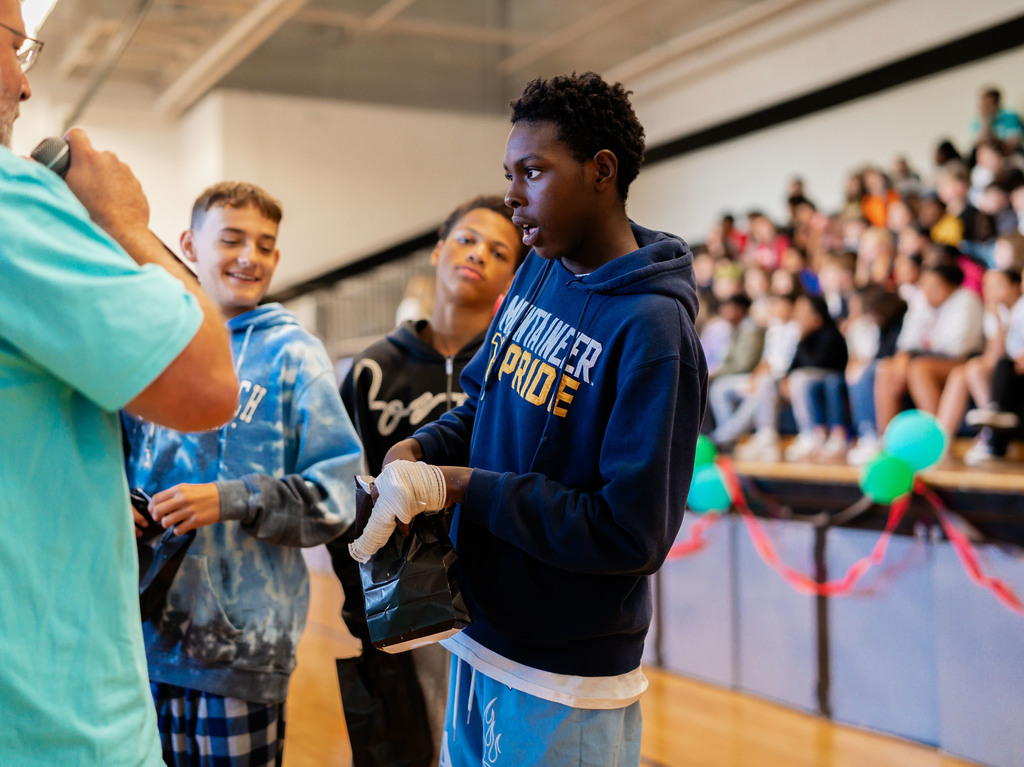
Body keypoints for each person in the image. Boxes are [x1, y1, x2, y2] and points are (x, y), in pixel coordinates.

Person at [351, 71, 707, 766]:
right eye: (509, 173)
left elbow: (628, 532)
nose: (512, 196)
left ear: (601, 171)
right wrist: (417, 449)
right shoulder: (540, 271)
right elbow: (483, 402)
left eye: (533, 172)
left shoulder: (655, 329)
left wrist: (459, 487)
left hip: (564, 675)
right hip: (477, 634)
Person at [0, 1, 239, 763]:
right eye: (14, 46)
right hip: (54, 727)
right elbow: (205, 385)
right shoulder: (12, 203)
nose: (23, 86)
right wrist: (128, 224)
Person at [122, 182, 363, 766]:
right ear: (189, 245)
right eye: (231, 239)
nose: (249, 257)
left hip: (241, 651)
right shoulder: (153, 342)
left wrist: (233, 498)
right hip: (139, 641)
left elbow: (337, 497)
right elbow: (118, 461)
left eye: (265, 244)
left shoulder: (293, 356)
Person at [326, 194, 524, 767]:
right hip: (396, 607)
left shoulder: (514, 371)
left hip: (492, 610)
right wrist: (363, 597)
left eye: (498, 250)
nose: (477, 255)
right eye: (466, 240)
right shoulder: (370, 369)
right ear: (438, 251)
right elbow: (343, 491)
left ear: (513, 275)